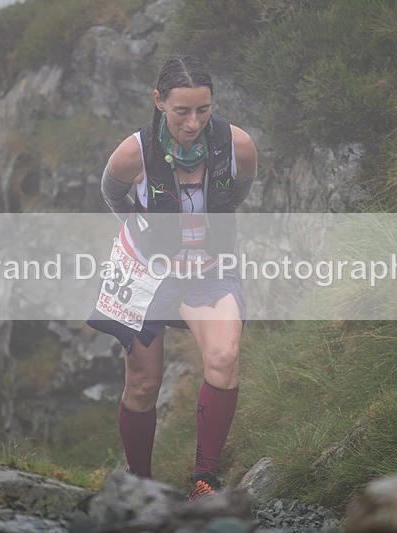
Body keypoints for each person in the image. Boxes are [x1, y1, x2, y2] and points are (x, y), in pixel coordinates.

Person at [86, 53, 257, 501]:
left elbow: (239, 191)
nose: (193, 122)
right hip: (147, 270)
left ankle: (204, 480)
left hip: (209, 268)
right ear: (159, 101)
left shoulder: (237, 145)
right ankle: (139, 487)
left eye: (204, 110)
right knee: (143, 384)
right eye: (182, 110)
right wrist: (148, 236)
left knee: (224, 357)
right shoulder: (132, 152)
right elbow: (112, 194)